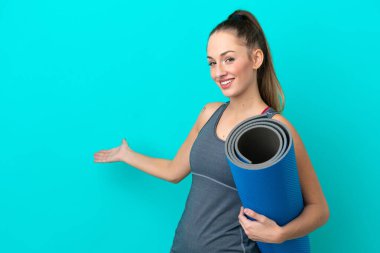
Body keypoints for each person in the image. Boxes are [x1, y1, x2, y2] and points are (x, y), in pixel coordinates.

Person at [93, 9, 330, 253]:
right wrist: (127, 154)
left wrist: (280, 234)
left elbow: (319, 209)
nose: (218, 72)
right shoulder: (209, 113)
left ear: (256, 59)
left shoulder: (276, 128)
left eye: (228, 59)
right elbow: (174, 171)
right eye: (212, 62)